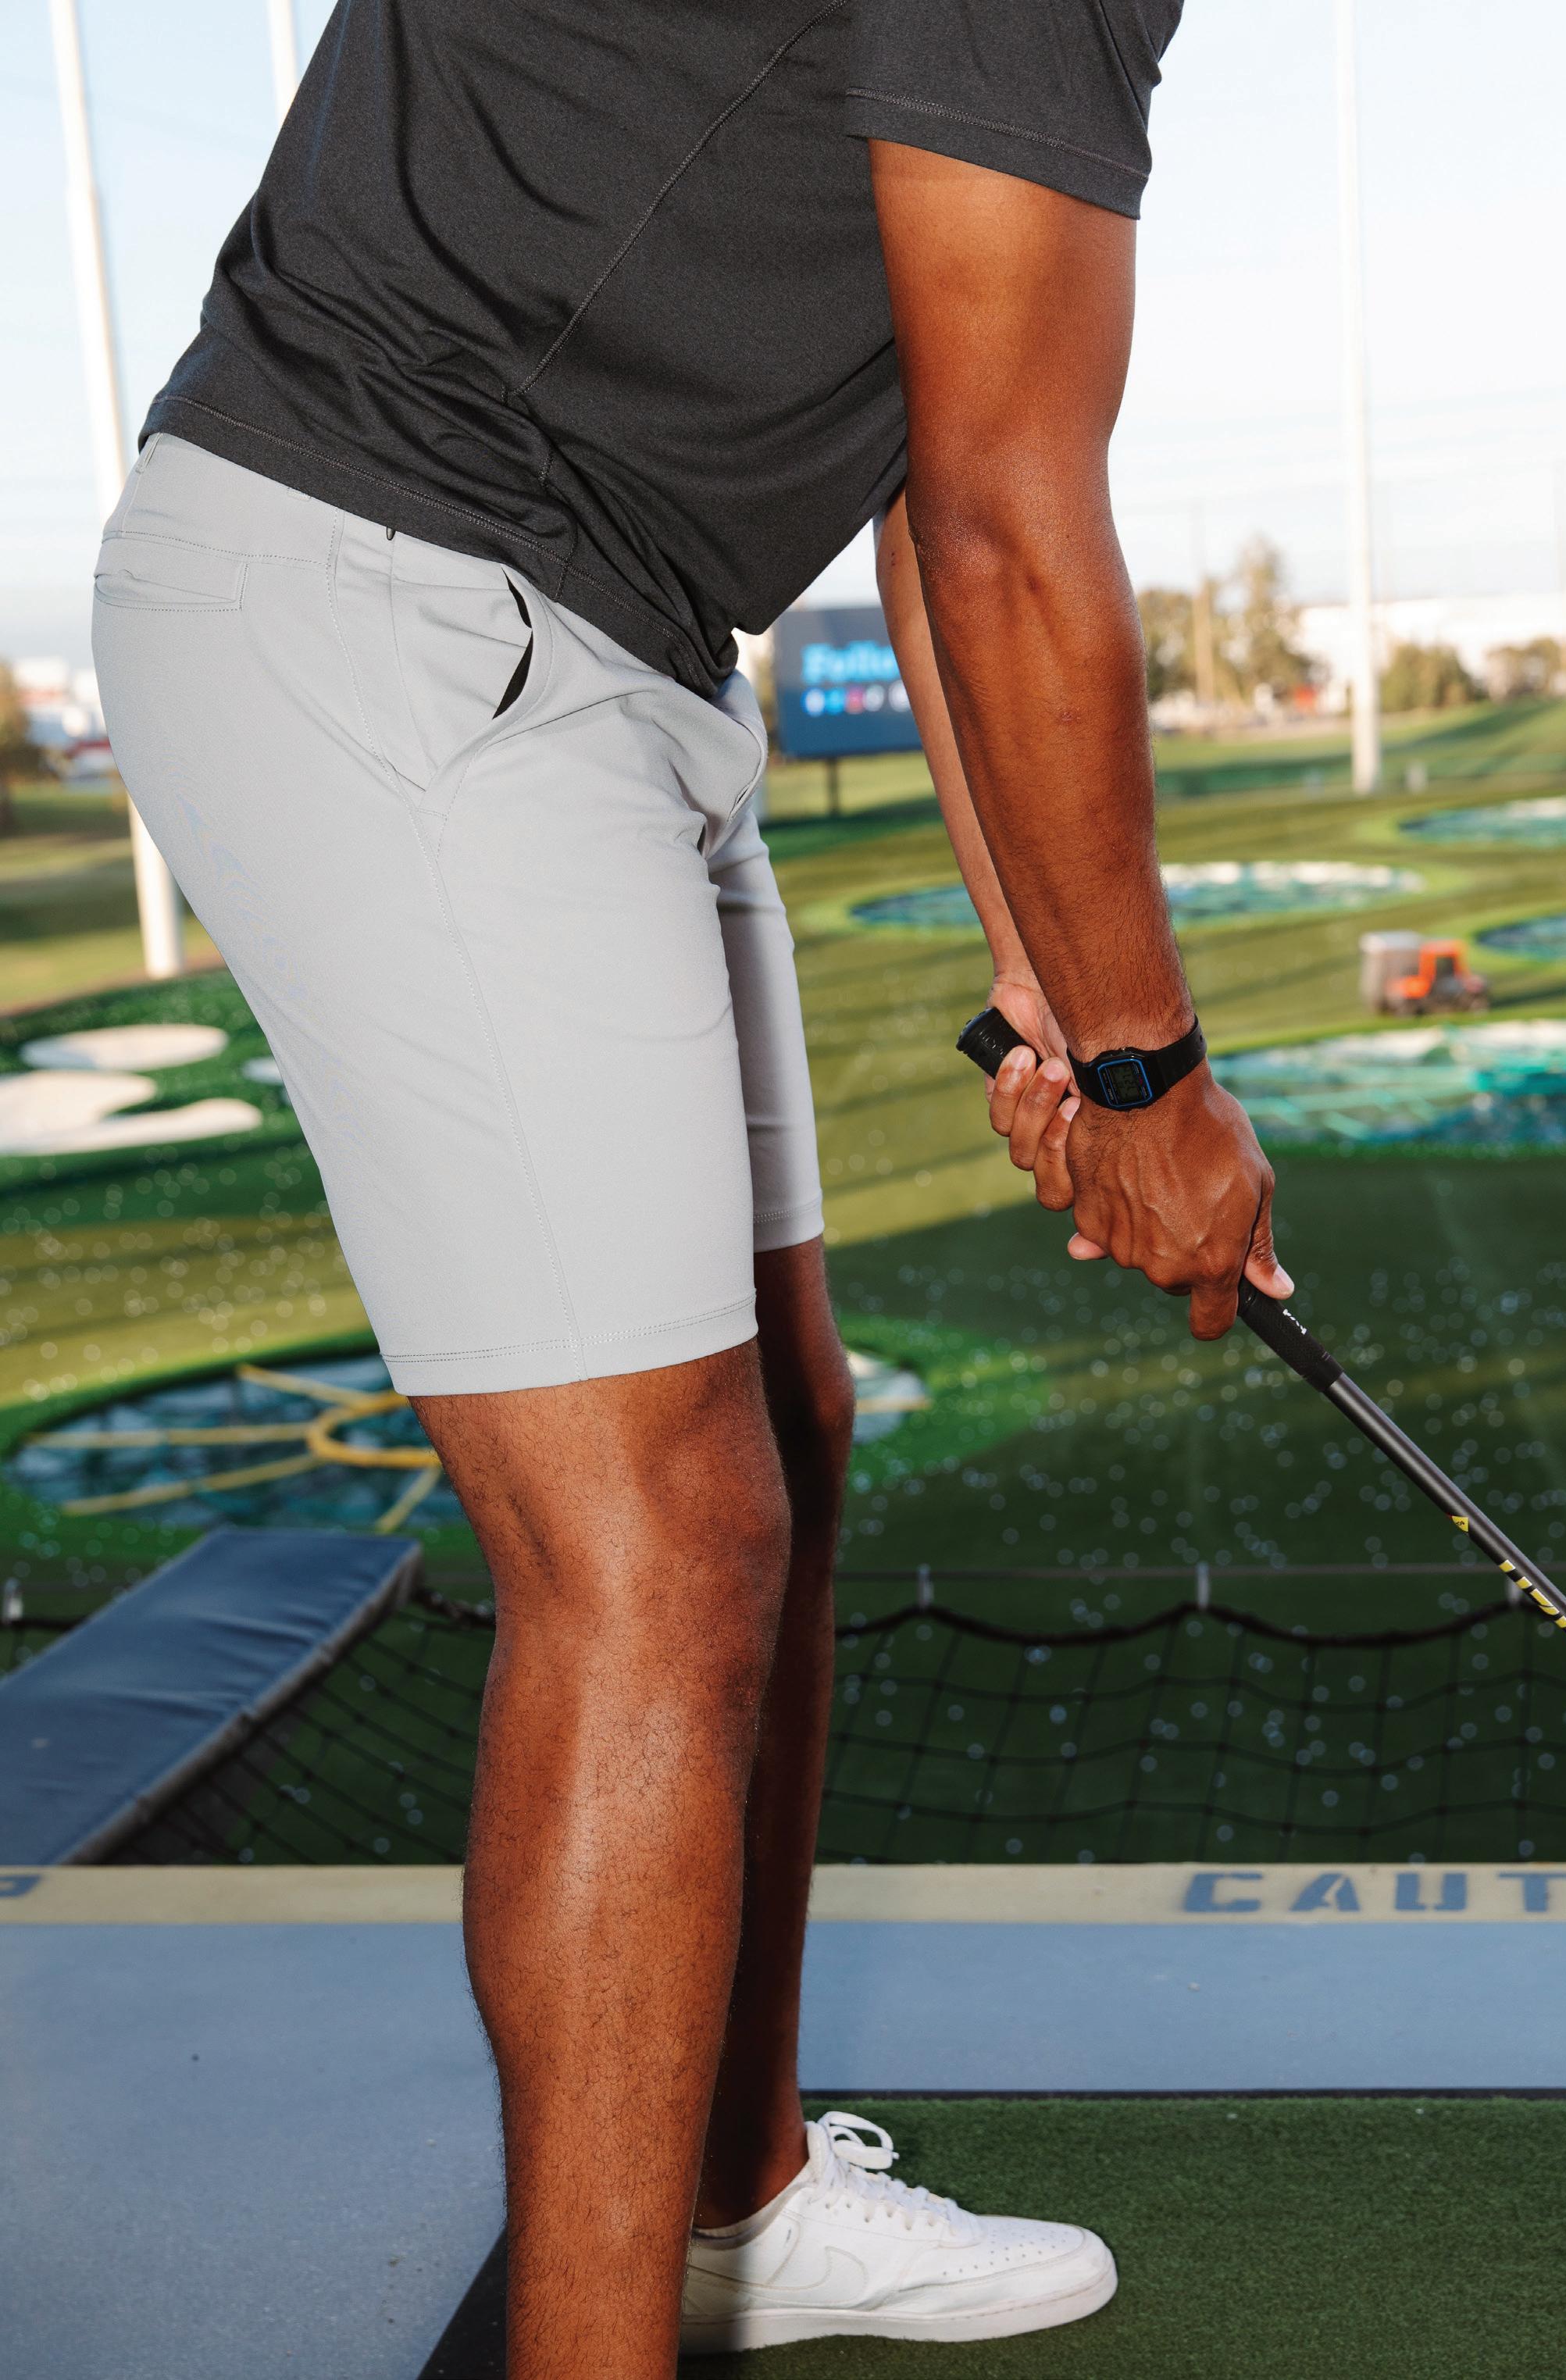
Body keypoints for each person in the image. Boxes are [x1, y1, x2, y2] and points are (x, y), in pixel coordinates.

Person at [91, 2, 1286, 2370]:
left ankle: (737, 2204)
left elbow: (938, 481)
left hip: (586, 633)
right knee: (656, 1544)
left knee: (783, 1442)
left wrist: (1059, 991)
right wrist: (1153, 1082)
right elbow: (1007, 523)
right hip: (413, 585)